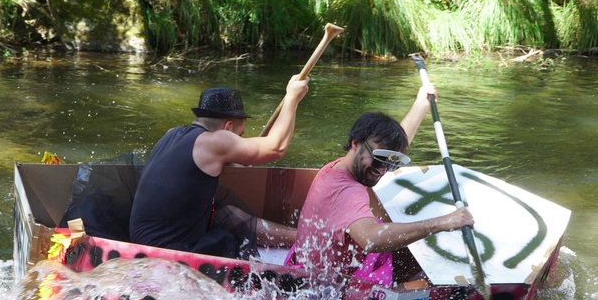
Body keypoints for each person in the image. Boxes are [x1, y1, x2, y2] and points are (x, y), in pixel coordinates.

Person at [289, 84, 474, 287]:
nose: (382, 170)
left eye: (391, 164)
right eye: (378, 161)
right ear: (355, 143)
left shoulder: (339, 167)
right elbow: (370, 239)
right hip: (327, 290)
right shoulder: (349, 192)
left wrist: (421, 105)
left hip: (309, 269)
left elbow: (385, 151)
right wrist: (442, 223)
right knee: (429, 277)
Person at [128, 76, 309, 258]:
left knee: (226, 213)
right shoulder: (216, 141)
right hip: (168, 252)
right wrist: (292, 99)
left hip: (141, 241)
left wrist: (237, 157)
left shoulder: (172, 134)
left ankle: (300, 238)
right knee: (226, 238)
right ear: (228, 127)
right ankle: (306, 239)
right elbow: (276, 148)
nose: (239, 139)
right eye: (240, 135)